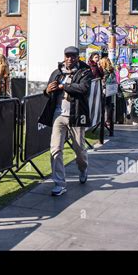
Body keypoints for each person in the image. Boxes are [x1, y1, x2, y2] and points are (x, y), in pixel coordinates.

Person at [39, 46, 94, 197]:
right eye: (67, 56)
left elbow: (83, 89)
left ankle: (83, 168)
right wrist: (47, 91)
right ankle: (59, 183)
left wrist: (65, 86)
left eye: (73, 56)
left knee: (79, 149)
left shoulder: (85, 71)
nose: (69, 58)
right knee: (55, 149)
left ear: (78, 57)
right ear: (64, 56)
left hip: (76, 115)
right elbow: (47, 91)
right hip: (58, 115)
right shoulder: (57, 72)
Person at [99, 57, 117, 136]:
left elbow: (103, 81)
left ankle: (104, 121)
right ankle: (108, 120)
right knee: (109, 105)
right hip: (111, 89)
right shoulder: (112, 70)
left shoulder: (104, 71)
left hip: (104, 89)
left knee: (103, 105)